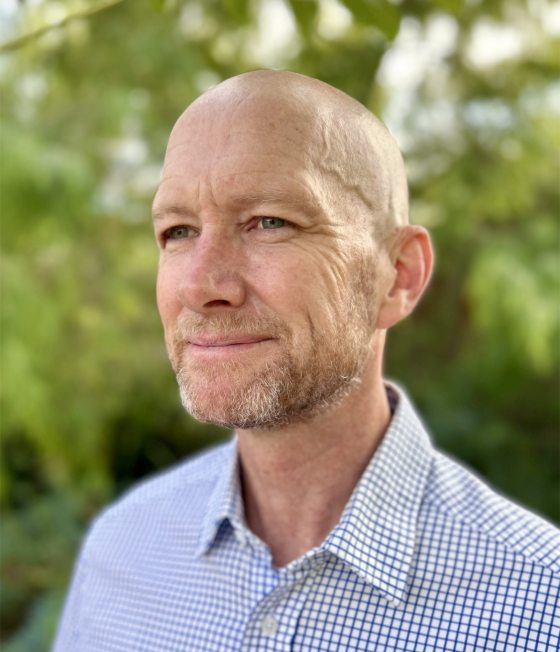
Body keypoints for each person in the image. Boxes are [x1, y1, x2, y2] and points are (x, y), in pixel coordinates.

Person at [53, 70, 559, 652]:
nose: (202, 286)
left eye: (271, 222)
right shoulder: (121, 550)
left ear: (398, 276)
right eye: (178, 230)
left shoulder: (542, 603)